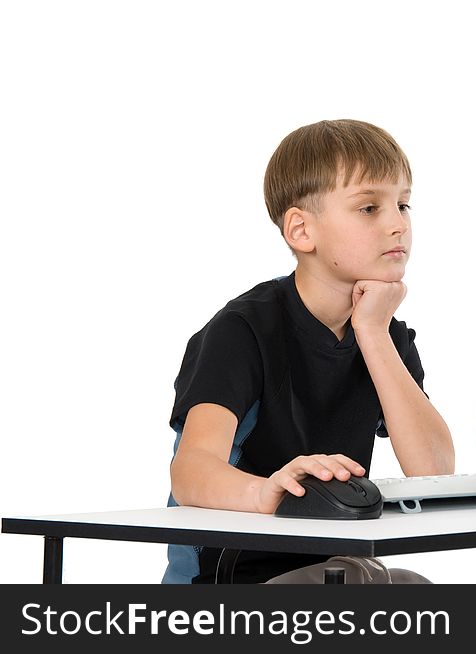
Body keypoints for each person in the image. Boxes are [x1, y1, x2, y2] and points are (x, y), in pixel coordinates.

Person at [162, 119, 455, 583]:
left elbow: (435, 471)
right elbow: (191, 471)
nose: (398, 224)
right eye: (369, 208)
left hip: (334, 568)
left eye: (403, 204)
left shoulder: (384, 333)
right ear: (300, 229)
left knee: (413, 589)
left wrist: (374, 335)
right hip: (230, 578)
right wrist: (270, 493)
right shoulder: (242, 331)